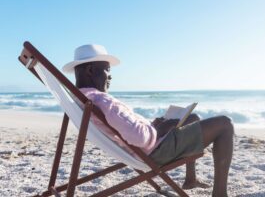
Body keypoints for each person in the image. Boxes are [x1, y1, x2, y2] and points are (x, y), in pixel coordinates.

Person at [63, 44, 234, 197]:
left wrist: (152, 126)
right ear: (90, 71)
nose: (110, 77)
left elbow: (130, 131)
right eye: (107, 69)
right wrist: (161, 129)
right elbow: (138, 137)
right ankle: (220, 194)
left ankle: (190, 180)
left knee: (193, 118)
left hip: (144, 148)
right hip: (155, 152)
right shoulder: (103, 101)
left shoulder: (82, 98)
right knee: (225, 124)